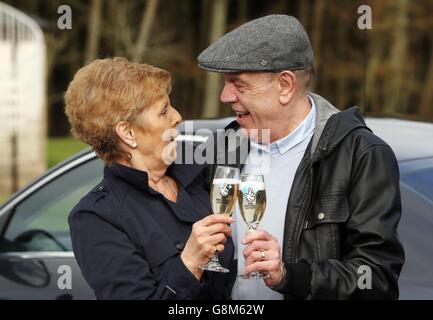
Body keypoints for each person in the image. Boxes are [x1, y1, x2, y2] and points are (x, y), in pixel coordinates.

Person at [198, 14, 405, 299]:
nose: (225, 96)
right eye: (225, 83)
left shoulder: (362, 155)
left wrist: (290, 276)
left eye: (239, 84)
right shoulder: (225, 147)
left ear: (285, 85)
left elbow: (376, 279)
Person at [65, 57, 235, 299]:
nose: (177, 116)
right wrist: (190, 263)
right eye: (163, 111)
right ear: (127, 132)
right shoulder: (96, 218)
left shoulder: (203, 176)